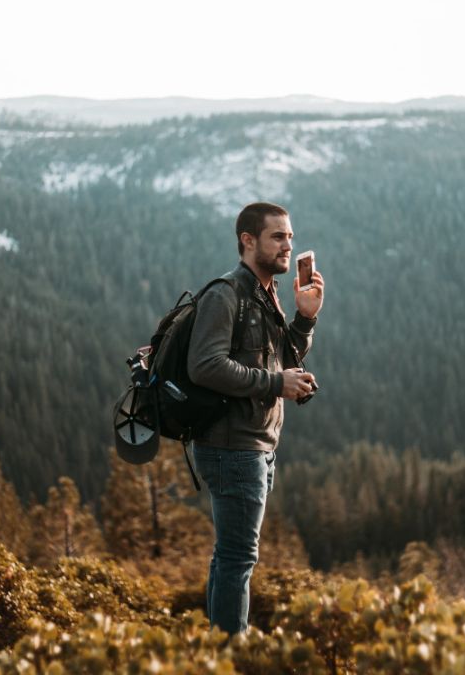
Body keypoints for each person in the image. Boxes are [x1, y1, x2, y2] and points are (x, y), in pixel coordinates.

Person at [187, 201, 324, 635]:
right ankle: (230, 654)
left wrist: (305, 317)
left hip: (256, 447)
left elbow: (283, 357)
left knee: (229, 557)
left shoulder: (265, 294)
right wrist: (274, 384)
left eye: (290, 236)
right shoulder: (225, 295)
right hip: (232, 448)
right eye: (277, 237)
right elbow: (204, 366)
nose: (288, 245)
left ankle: (216, 652)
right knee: (238, 559)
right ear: (248, 241)